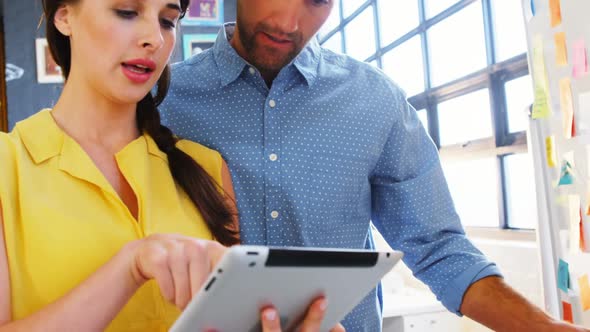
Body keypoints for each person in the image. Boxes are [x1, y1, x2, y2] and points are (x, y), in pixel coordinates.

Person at [160, 1, 590, 331]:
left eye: (316, 0)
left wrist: (546, 327)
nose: (289, 23)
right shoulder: (160, 101)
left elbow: (441, 251)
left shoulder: (376, 102)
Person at [0, 1, 344, 331]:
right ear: (64, 17)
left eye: (167, 20)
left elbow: (229, 321)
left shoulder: (207, 169)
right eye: (126, 12)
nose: (155, 37)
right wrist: (130, 266)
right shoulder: (7, 164)